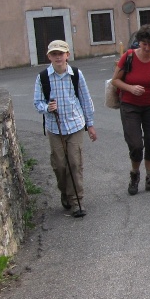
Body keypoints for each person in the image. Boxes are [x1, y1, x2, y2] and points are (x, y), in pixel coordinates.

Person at [33, 40, 97, 217]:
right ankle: (65, 192)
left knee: (75, 163)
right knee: (60, 165)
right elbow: (37, 102)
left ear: (67, 55)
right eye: (54, 54)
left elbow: (85, 99)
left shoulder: (76, 74)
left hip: (75, 124)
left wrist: (89, 125)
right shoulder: (43, 77)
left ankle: (77, 201)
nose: (58, 57)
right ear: (49, 57)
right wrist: (47, 108)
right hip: (55, 127)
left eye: (61, 53)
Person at [111, 24, 150, 195]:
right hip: (130, 105)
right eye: (144, 44)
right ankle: (135, 174)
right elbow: (115, 80)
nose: (146, 48)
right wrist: (130, 88)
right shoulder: (128, 57)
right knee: (136, 144)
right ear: (139, 43)